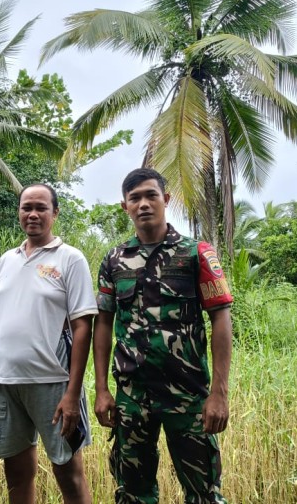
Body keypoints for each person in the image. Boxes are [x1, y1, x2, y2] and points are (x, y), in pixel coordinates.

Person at [93, 168, 233, 504]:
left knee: (204, 494)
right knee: (133, 494)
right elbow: (103, 324)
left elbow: (221, 320)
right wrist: (101, 389)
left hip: (188, 395)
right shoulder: (114, 260)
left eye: (150, 195)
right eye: (134, 198)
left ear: (165, 199)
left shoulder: (196, 253)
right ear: (125, 206)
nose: (143, 204)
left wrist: (219, 394)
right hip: (132, 396)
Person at [0, 184, 96, 504]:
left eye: (41, 208)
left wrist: (72, 393)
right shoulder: (6, 261)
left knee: (68, 473)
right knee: (16, 475)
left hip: (53, 383)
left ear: (55, 213)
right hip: (6, 383)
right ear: (18, 213)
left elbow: (83, 326)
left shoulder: (70, 259)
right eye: (27, 207)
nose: (33, 214)